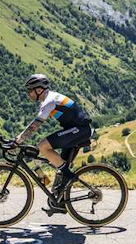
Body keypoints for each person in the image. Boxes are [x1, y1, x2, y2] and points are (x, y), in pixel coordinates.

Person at [15, 74, 94, 214]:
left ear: (39, 90)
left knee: (43, 146)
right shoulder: (50, 98)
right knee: (60, 166)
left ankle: (69, 175)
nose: (29, 94)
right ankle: (60, 203)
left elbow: (35, 125)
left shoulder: (49, 101)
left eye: (30, 91)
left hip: (80, 130)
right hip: (76, 130)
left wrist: (19, 140)